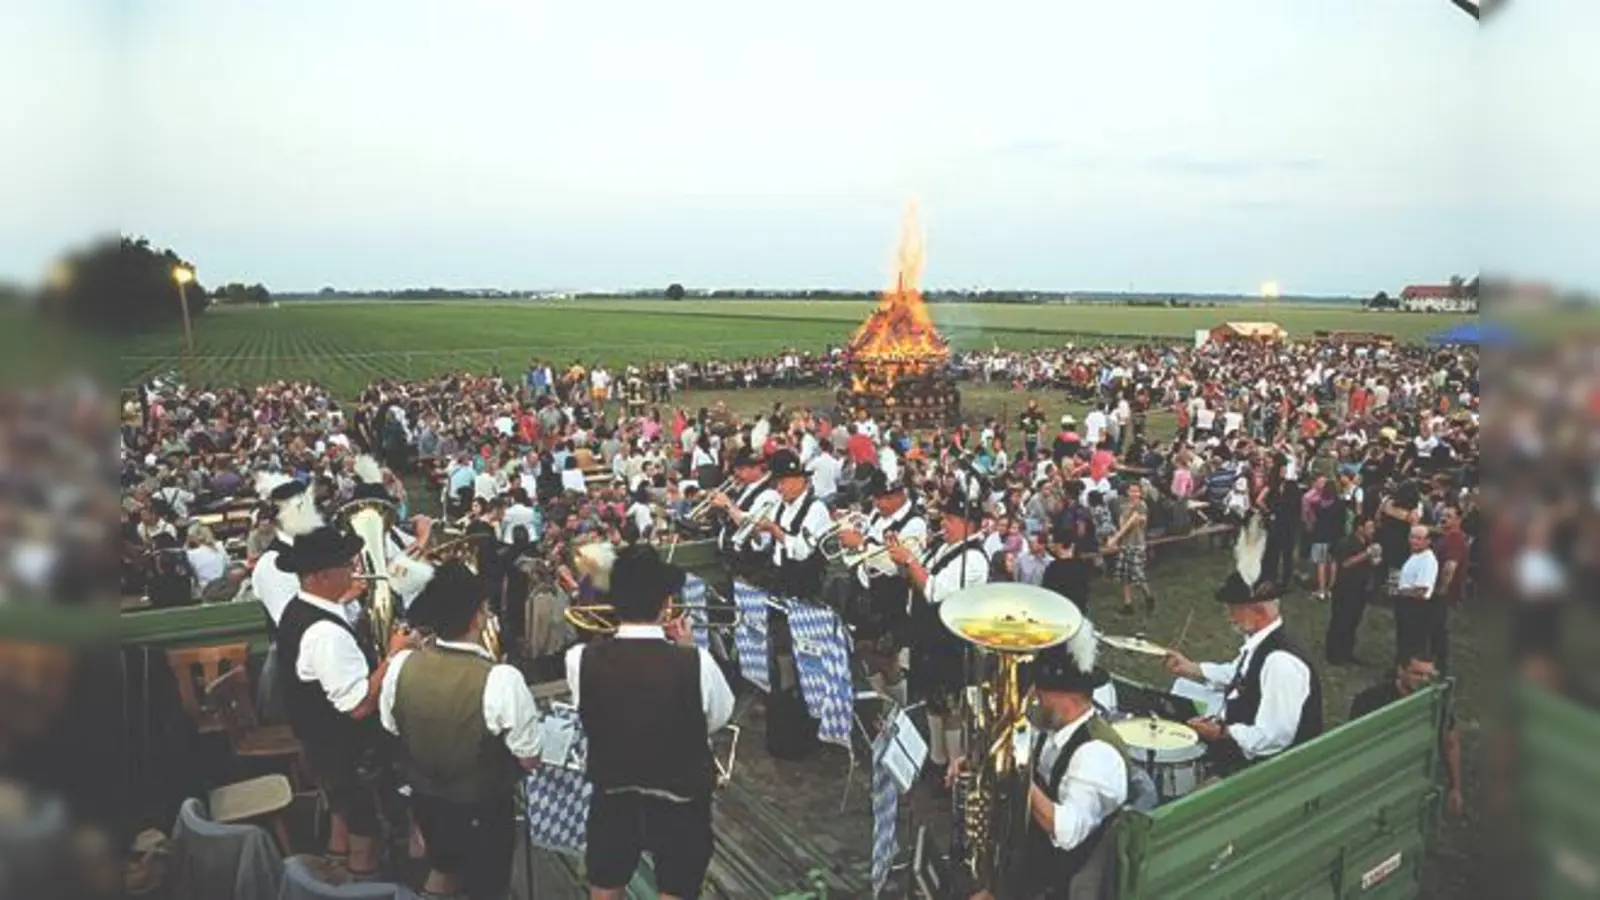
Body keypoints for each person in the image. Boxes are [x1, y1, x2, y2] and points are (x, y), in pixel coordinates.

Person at [566, 544, 735, 900]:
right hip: (680, 798)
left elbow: (592, 704)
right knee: (676, 888)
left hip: (614, 791)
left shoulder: (579, 659)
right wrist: (687, 650)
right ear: (665, 603)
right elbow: (717, 717)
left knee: (605, 886)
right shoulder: (696, 662)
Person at [379, 561, 544, 900]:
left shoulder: (400, 665)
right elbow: (528, 759)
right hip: (482, 810)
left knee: (443, 867)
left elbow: (392, 727)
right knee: (487, 887)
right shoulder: (501, 678)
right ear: (476, 618)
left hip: (426, 801)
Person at [277, 525, 410, 882]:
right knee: (366, 827)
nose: (354, 570)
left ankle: (336, 863)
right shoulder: (325, 633)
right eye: (346, 565)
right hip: (349, 752)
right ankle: (363, 875)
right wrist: (394, 654)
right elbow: (359, 706)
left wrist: (344, 602)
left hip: (320, 744)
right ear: (321, 575)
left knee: (344, 810)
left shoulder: (299, 608)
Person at [1162, 518, 1323, 775]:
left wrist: (1222, 733)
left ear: (1258, 611)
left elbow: (1274, 737)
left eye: (1234, 610)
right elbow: (1238, 674)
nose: (1229, 617)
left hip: (1269, 772)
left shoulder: (1280, 663)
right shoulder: (1262, 644)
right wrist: (1190, 668)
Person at [1002, 632, 1130, 900]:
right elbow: (1018, 740)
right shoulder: (1055, 727)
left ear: (1068, 699)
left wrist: (1020, 774)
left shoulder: (1095, 755)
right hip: (1032, 862)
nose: (1035, 700)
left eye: (1041, 695)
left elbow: (1067, 832)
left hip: (1061, 883)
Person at [887, 482, 990, 788]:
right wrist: (902, 560)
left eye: (951, 519)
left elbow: (934, 591)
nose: (944, 524)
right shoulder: (944, 547)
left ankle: (954, 772)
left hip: (952, 643)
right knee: (933, 701)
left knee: (951, 707)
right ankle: (937, 758)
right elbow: (917, 580)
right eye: (944, 518)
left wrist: (910, 559)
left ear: (969, 525)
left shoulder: (973, 558)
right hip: (929, 637)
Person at [833, 457, 928, 705]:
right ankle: (881, 706)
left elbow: (896, 566)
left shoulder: (915, 523)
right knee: (865, 654)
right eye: (876, 498)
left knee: (888, 661)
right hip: (867, 595)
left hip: (893, 599)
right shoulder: (878, 515)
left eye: (883, 498)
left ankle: (900, 707)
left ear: (899, 495)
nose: (877, 503)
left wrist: (861, 544)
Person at [1348, 652, 1465, 817]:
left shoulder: (1435, 703)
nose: (1424, 680)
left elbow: (1450, 743)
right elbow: (1353, 746)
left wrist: (1455, 788)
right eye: (1417, 673)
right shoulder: (1370, 701)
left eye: (1429, 675)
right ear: (1401, 670)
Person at [740, 449, 832, 598]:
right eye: (777, 483)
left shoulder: (815, 509)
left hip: (803, 584)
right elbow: (764, 544)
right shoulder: (780, 506)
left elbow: (801, 552)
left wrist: (774, 530)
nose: (779, 489)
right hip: (778, 576)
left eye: (783, 482)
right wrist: (754, 532)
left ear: (800, 480)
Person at [1323, 516, 1381, 665]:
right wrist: (1366, 554)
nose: (1372, 530)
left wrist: (1375, 558)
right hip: (1345, 588)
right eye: (1369, 527)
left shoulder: (1368, 543)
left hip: (1361, 589)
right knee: (1340, 620)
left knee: (1353, 621)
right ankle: (1333, 655)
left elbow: (1373, 563)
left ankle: (1347, 651)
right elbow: (1345, 563)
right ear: (1360, 528)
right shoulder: (1346, 543)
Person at [1391, 524, 1440, 666]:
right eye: (1412, 537)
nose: (1414, 541)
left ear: (1428, 541)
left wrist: (1399, 592)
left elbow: (1421, 591)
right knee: (1403, 640)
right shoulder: (1415, 555)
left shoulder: (1427, 560)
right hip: (1405, 604)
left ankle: (1409, 669)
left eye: (1419, 538)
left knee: (1413, 643)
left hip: (1416, 607)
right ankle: (1400, 667)